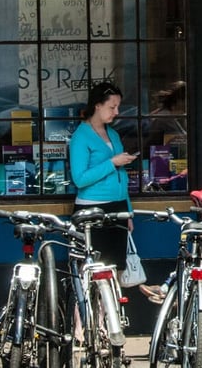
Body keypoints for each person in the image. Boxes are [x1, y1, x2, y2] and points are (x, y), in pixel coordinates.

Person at [69, 81, 136, 273]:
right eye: (112, 107)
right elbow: (80, 179)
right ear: (97, 105)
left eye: (118, 107)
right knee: (94, 269)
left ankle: (113, 303)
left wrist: (128, 211)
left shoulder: (113, 134)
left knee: (117, 267)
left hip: (118, 207)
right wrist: (112, 163)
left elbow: (120, 176)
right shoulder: (81, 137)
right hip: (92, 208)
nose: (116, 112)